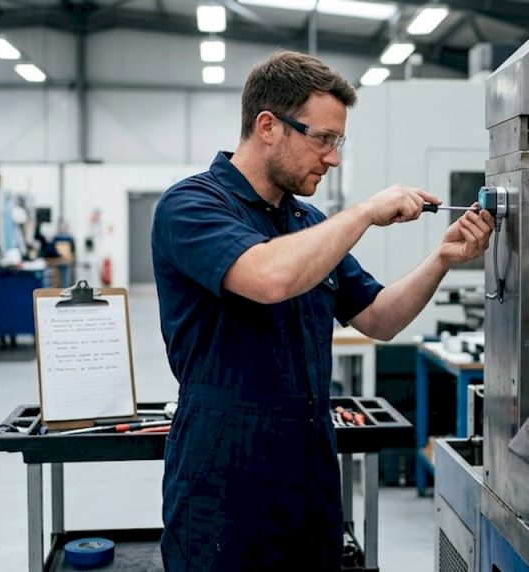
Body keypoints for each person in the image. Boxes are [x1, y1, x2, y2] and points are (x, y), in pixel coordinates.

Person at [152, 50, 494, 571]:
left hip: (310, 476)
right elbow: (269, 278)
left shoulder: (306, 221)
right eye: (324, 139)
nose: (333, 158)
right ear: (268, 126)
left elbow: (380, 317)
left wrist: (442, 258)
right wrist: (364, 211)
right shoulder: (191, 206)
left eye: (339, 142)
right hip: (223, 480)